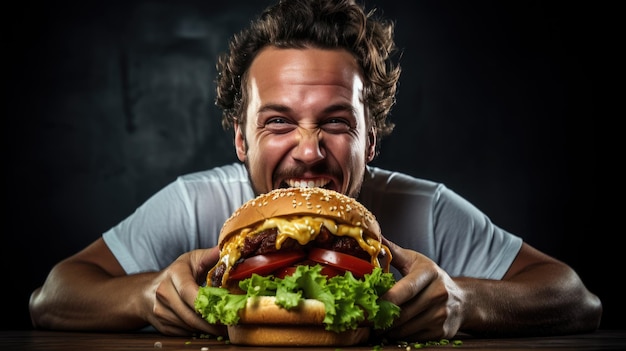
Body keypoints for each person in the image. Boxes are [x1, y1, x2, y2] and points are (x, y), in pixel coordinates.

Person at [29, 0, 601, 342]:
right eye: (278, 122)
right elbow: (52, 296)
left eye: (336, 122)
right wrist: (143, 295)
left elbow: (577, 300)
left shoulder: (424, 208)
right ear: (240, 138)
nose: (308, 151)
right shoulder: (193, 204)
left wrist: (466, 300)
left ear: (370, 139)